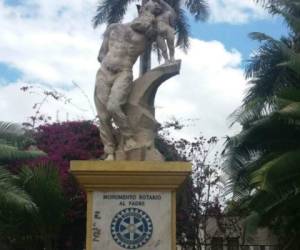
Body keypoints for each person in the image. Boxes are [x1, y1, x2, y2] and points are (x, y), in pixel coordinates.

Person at [94, 11, 157, 161]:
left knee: (114, 106)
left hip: (123, 73)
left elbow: (165, 33)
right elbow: (101, 54)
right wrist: (109, 63)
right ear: (139, 14)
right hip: (104, 72)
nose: (147, 23)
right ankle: (109, 151)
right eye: (146, 18)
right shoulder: (114, 28)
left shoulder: (147, 38)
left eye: (151, 21)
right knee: (103, 116)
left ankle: (129, 138)